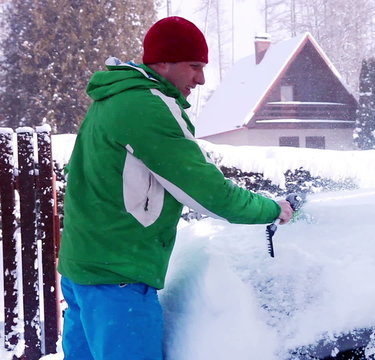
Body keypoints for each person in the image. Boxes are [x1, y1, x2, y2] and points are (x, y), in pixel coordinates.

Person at [57, 16, 293, 359]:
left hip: (84, 272)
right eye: (194, 66)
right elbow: (210, 194)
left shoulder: (112, 99)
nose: (201, 79)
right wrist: (273, 209)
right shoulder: (145, 106)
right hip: (117, 281)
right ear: (163, 62)